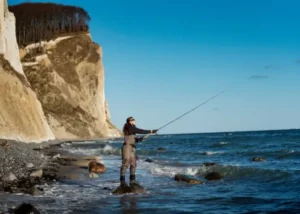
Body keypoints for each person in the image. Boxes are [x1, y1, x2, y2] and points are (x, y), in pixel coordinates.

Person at [120, 116, 158, 187]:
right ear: (130, 121)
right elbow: (140, 130)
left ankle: (132, 181)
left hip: (132, 147)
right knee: (126, 162)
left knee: (133, 163)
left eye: (134, 120)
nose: (134, 121)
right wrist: (151, 131)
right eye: (133, 120)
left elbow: (133, 138)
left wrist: (139, 139)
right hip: (127, 146)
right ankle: (122, 181)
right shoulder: (129, 127)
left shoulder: (132, 128)